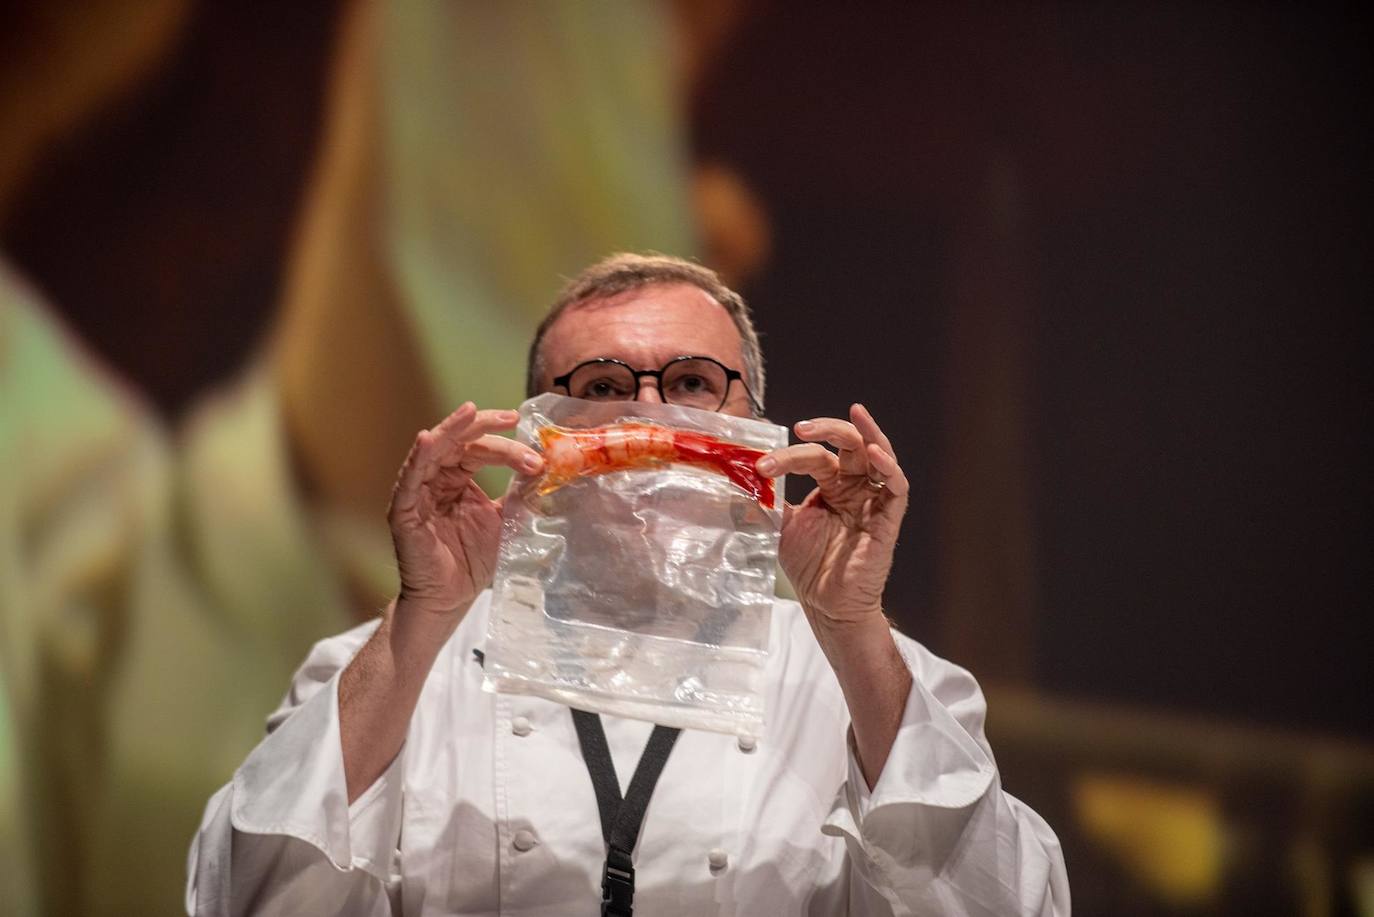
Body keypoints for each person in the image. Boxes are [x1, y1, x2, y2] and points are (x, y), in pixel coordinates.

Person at [185, 253, 1069, 916]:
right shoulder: (393, 667)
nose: (651, 415)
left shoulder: (868, 679)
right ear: (535, 440)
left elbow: (1010, 902)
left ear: (757, 433)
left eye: (692, 383)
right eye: (602, 386)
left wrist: (848, 623)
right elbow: (244, 891)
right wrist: (426, 613)